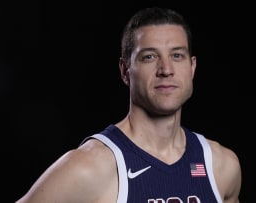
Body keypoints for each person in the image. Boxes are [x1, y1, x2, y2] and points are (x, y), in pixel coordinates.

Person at [15, 7, 242, 203]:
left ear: (192, 67)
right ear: (125, 71)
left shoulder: (221, 166)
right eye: (149, 57)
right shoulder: (92, 166)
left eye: (177, 55)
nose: (166, 69)